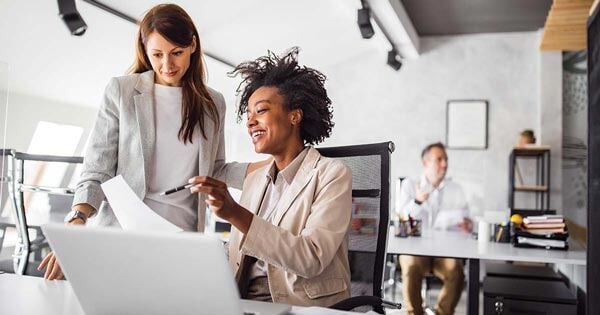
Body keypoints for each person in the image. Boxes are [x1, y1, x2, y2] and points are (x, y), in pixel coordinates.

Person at [38, 3, 265, 280]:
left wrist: (271, 168)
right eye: (157, 54)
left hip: (182, 240)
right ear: (145, 50)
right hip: (123, 237)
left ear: (192, 46)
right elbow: (98, 168)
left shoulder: (212, 102)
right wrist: (77, 219)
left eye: (176, 53)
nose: (167, 65)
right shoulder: (121, 91)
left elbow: (214, 169)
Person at [187, 48, 352, 307]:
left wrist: (234, 213)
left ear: (294, 116)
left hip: (296, 305)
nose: (250, 122)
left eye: (261, 111)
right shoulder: (256, 178)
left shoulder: (332, 175)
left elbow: (311, 258)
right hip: (242, 301)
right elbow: (244, 253)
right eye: (248, 115)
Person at [397, 142, 471, 315]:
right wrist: (417, 201)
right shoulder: (409, 185)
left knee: (456, 270)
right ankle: (415, 313)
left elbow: (467, 217)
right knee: (410, 266)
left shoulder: (456, 189)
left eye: (446, 159)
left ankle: (443, 313)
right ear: (425, 163)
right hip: (415, 250)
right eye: (439, 159)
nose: (445, 164)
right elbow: (401, 217)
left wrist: (467, 223)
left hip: (445, 252)